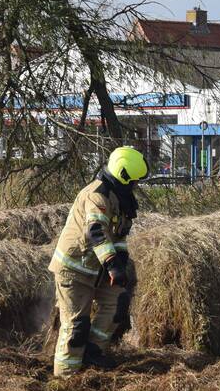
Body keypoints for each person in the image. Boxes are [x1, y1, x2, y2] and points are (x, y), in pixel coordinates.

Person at [48, 146, 148, 377]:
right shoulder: (97, 195)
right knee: (76, 326)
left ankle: (92, 354)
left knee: (118, 304)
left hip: (99, 268)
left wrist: (121, 262)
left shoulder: (121, 198)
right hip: (74, 269)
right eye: (134, 181)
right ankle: (66, 378)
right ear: (123, 177)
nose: (137, 185)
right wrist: (113, 264)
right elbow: (97, 232)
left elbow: (119, 236)